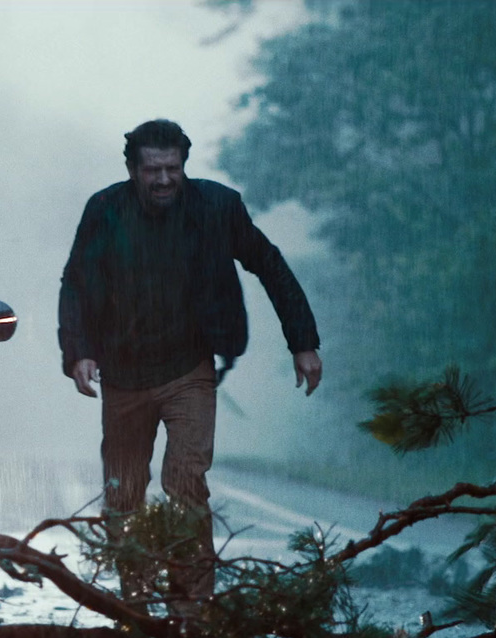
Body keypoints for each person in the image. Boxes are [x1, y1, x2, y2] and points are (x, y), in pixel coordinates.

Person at [57, 119, 322, 611]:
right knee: (123, 493)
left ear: (184, 166)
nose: (163, 180)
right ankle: (133, 606)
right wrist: (78, 352)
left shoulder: (218, 207)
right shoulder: (105, 210)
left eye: (172, 168)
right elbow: (75, 281)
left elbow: (270, 264)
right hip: (124, 375)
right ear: (132, 170)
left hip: (190, 369)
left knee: (184, 483)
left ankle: (192, 611)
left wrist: (302, 342)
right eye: (152, 169)